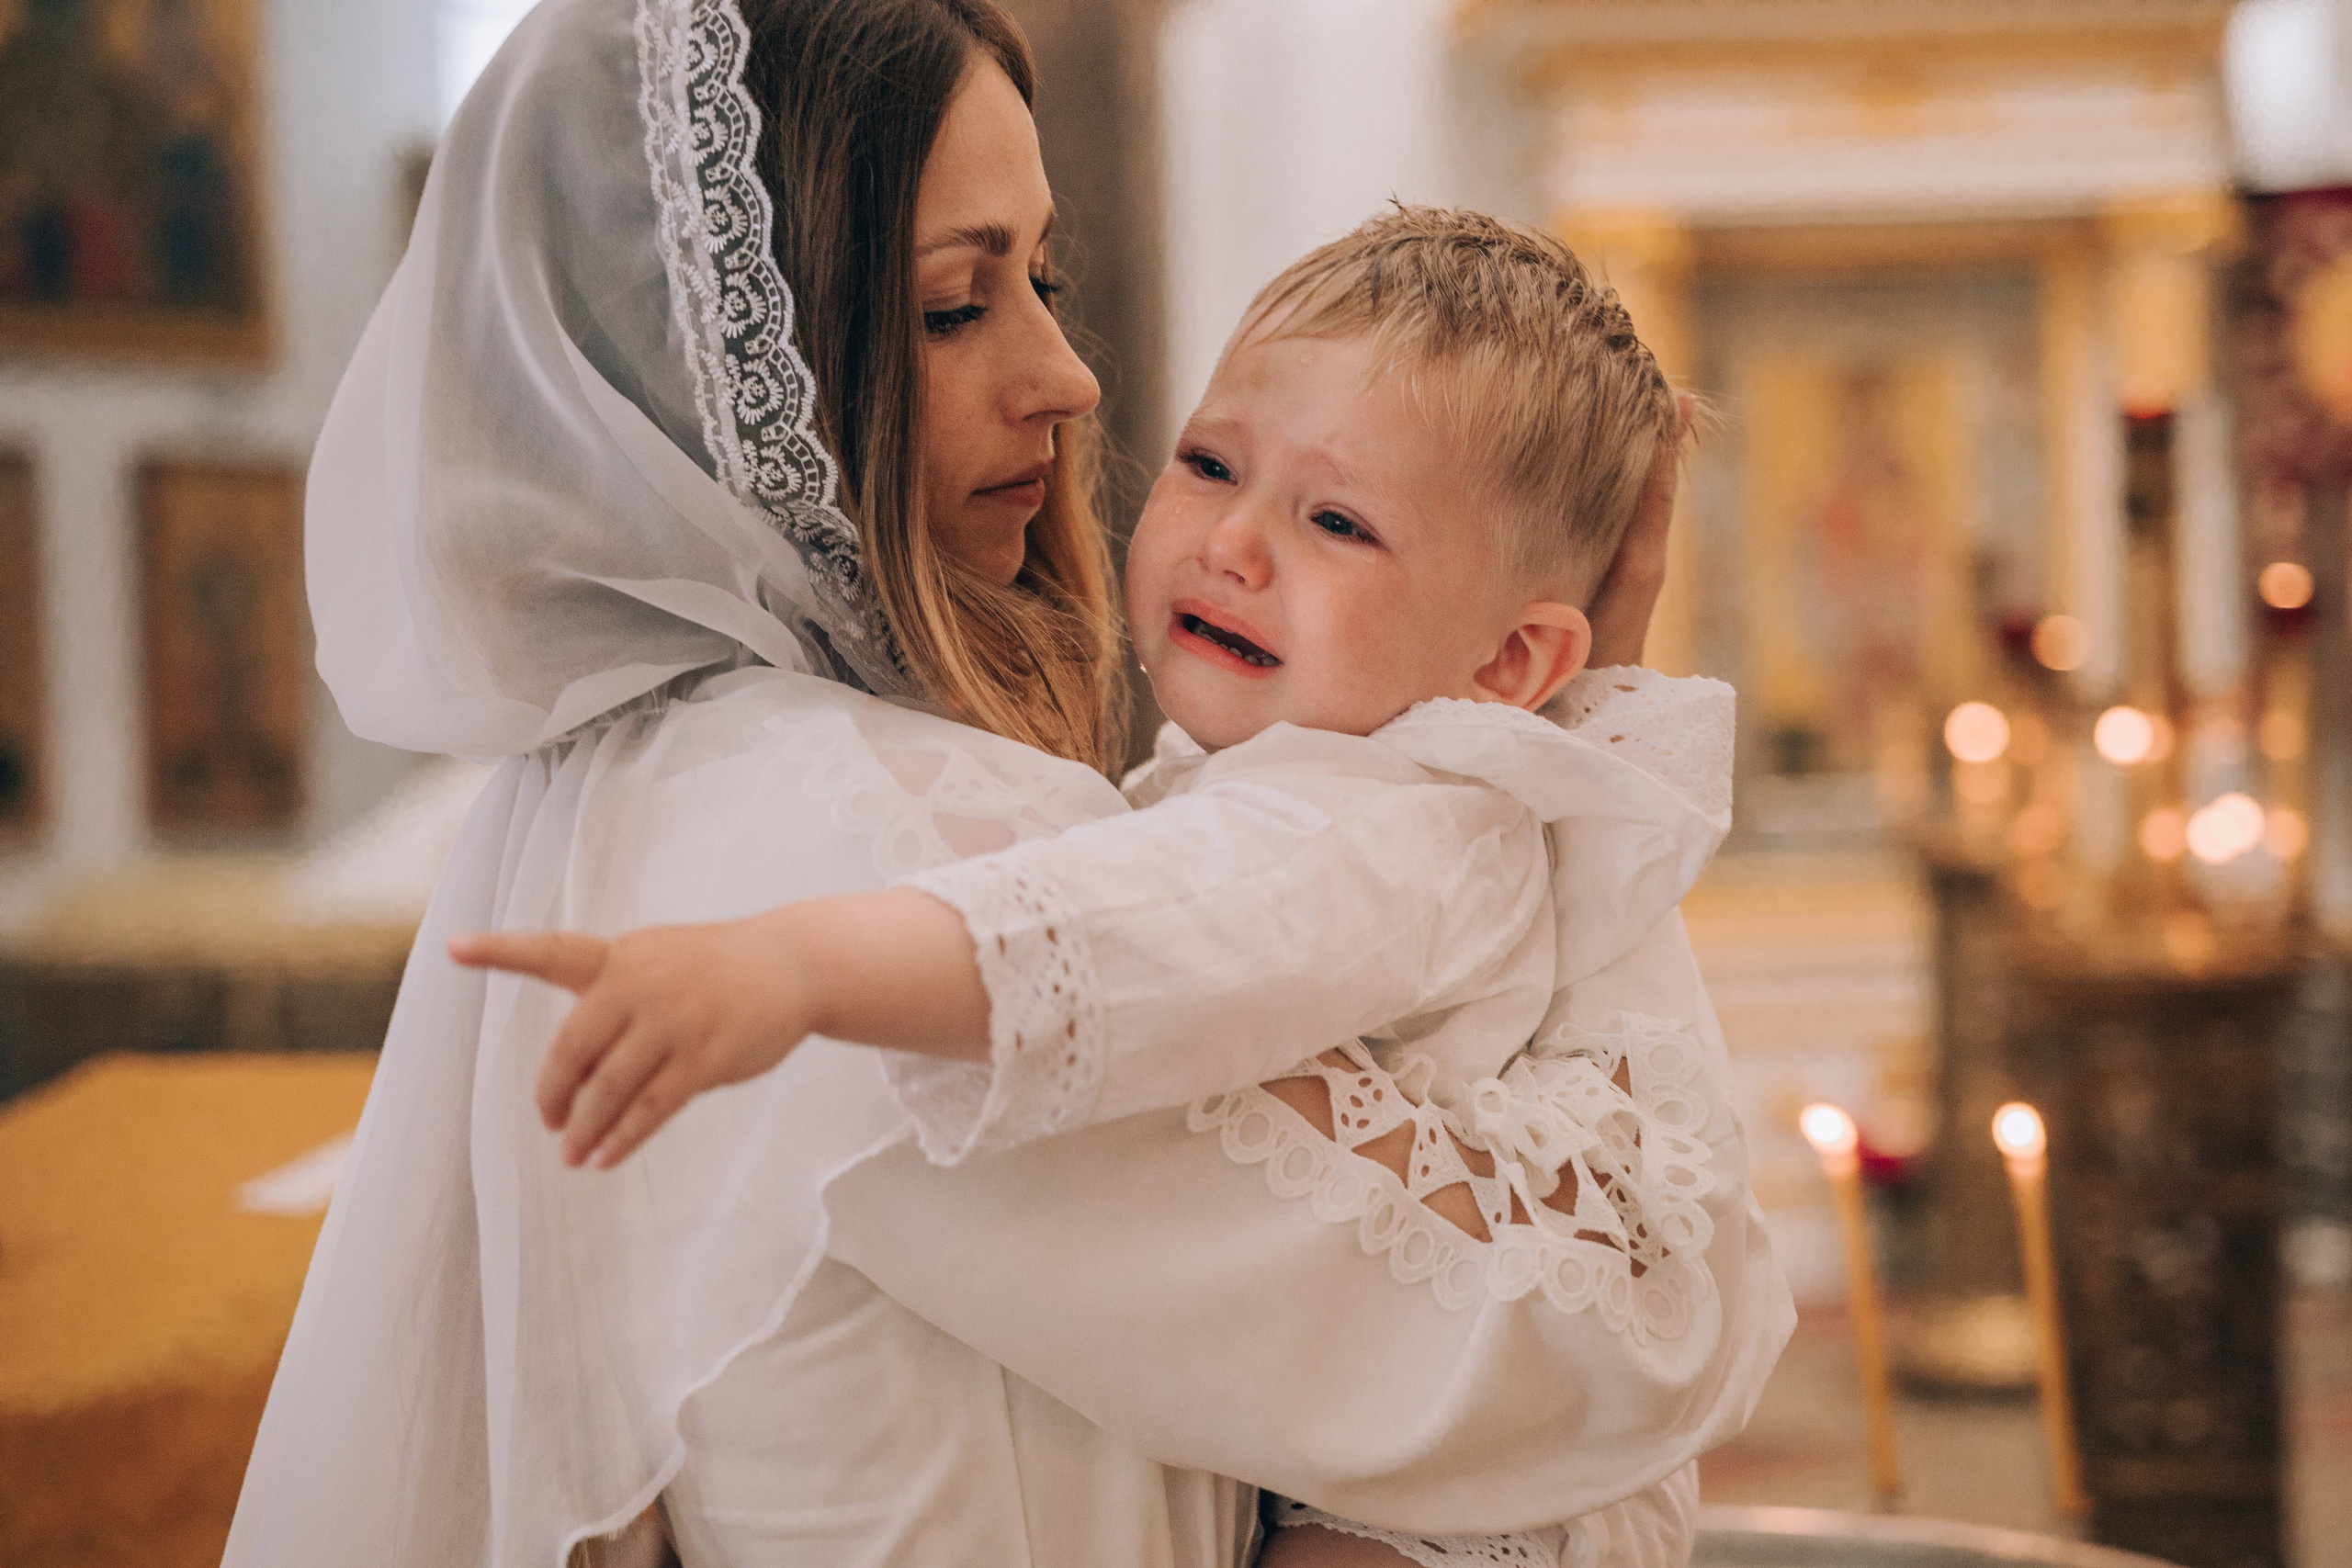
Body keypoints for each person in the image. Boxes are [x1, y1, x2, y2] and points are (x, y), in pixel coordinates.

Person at [224, 3, 1788, 1565]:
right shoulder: (870, 842)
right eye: (955, 307)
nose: (1070, 379)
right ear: (735, 380)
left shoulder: (636, 784)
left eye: (1045, 282)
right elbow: (1626, 1331)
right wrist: (1563, 755)